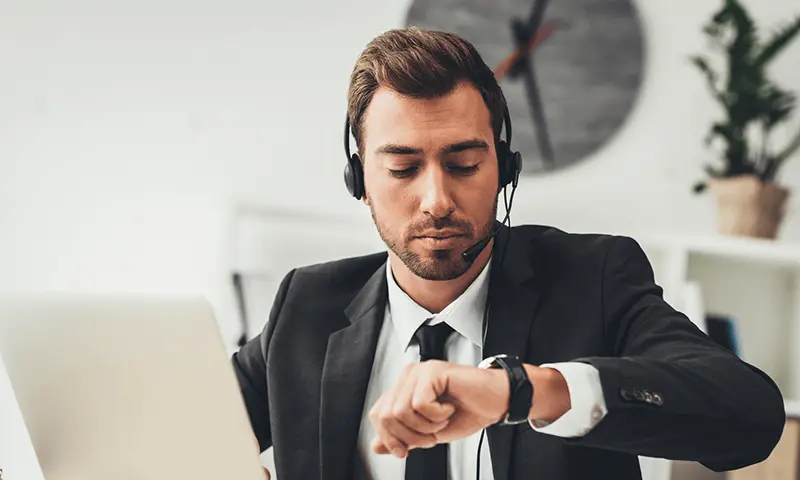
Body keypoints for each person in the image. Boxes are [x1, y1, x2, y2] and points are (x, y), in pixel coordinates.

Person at [231, 27, 786, 480]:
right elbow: (178, 424)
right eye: (402, 169)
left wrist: (526, 391)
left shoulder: (593, 279)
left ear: (504, 169)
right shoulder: (306, 306)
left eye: (465, 164)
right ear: (359, 179)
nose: (437, 200)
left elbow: (750, 416)